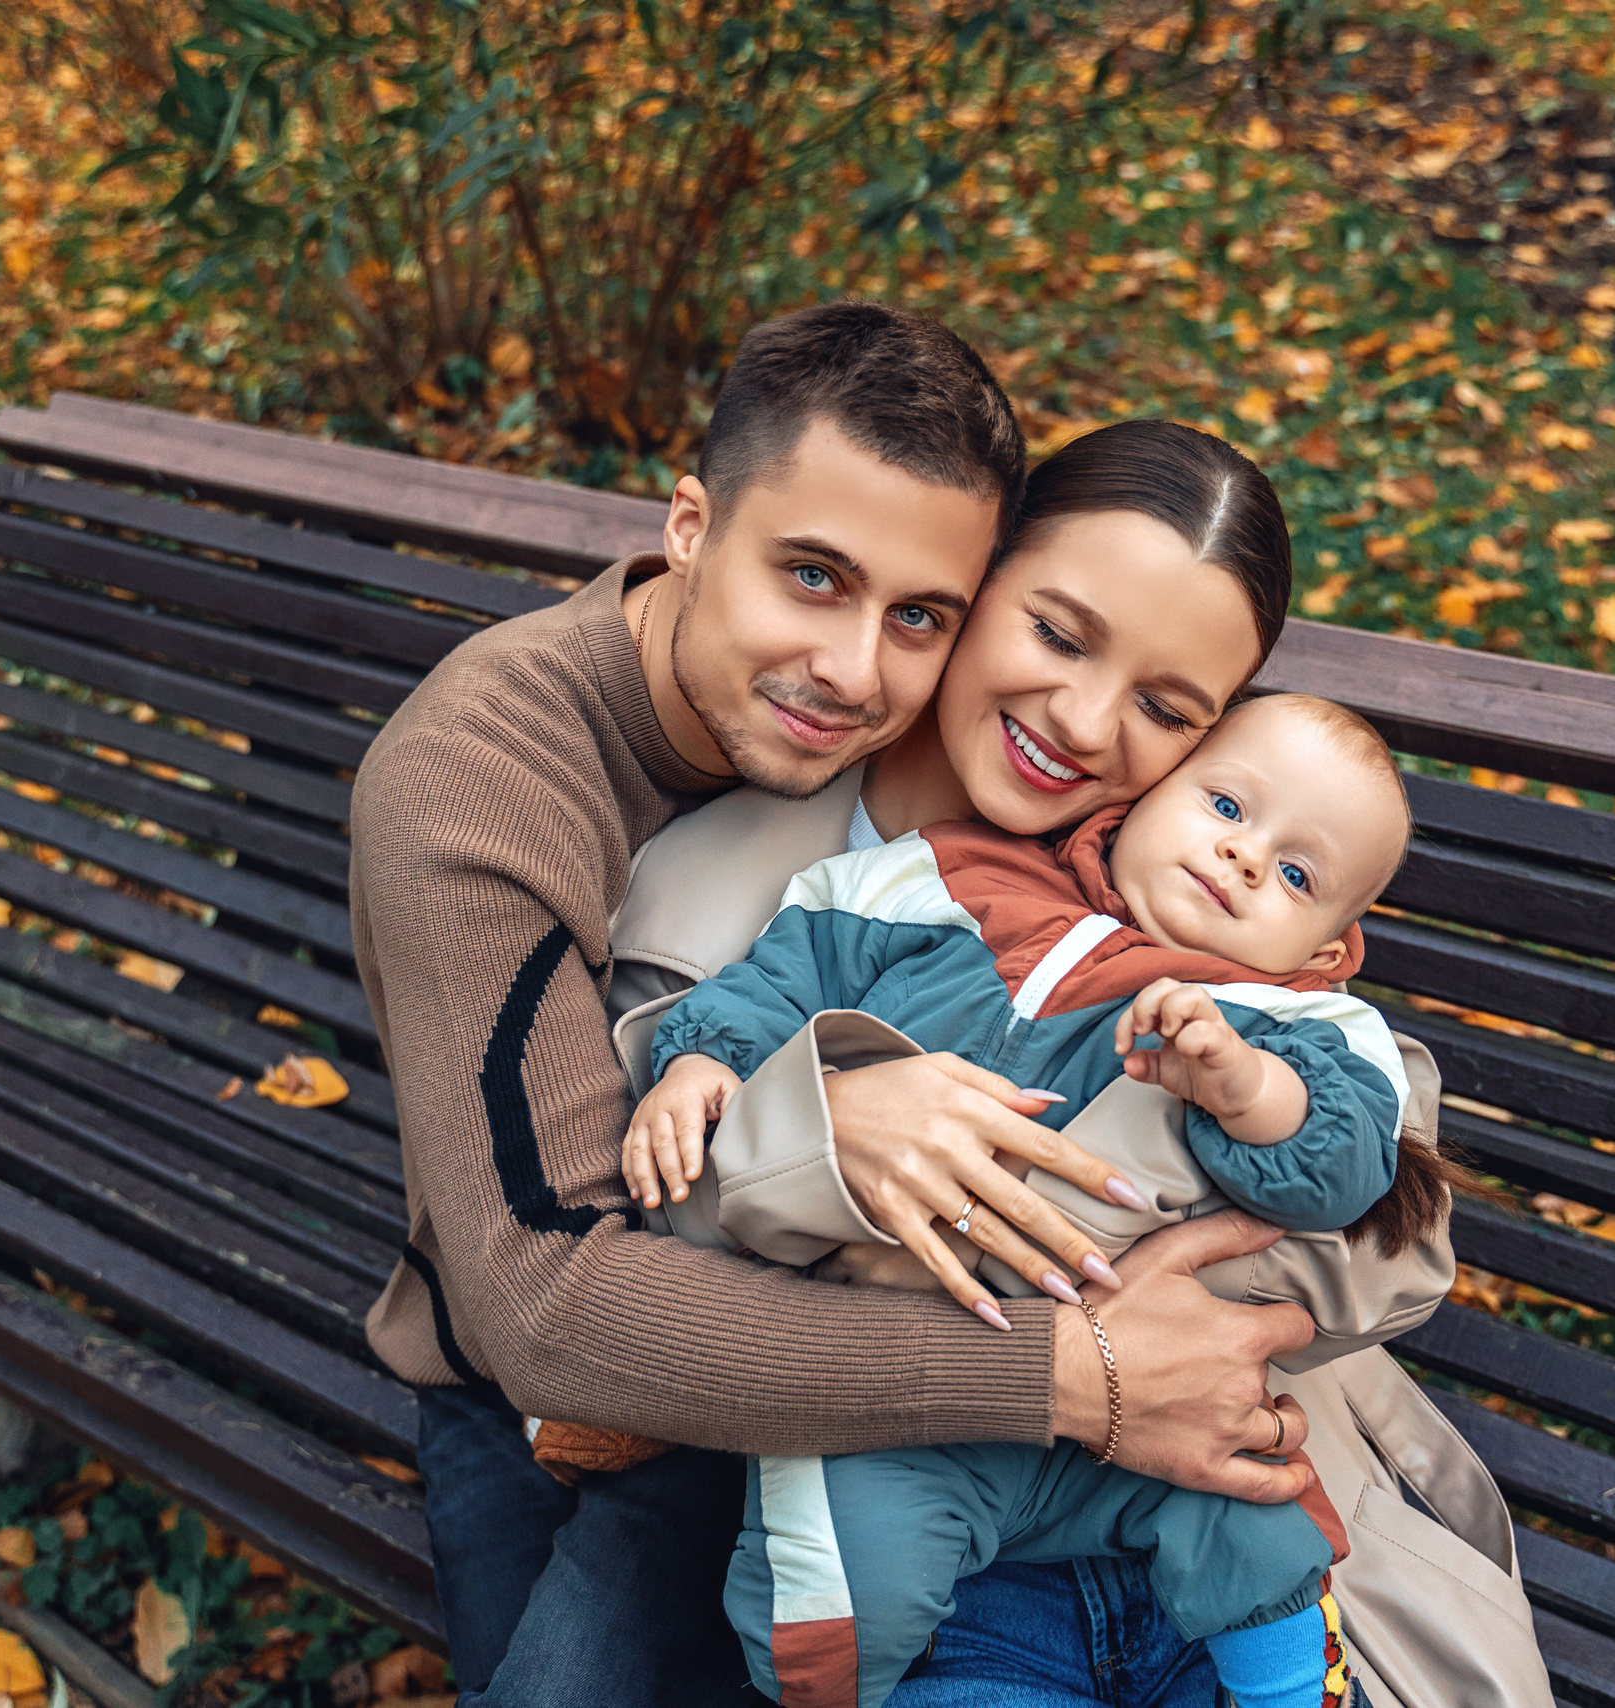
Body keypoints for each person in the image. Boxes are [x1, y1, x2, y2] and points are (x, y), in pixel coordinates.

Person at [349, 306, 1375, 1708]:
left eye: (915, 616)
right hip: (587, 1368)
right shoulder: (502, 782)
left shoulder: (1150, 837)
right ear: (689, 526)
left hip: (996, 1435)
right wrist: (1056, 1351)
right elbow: (553, 1299)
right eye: (812, 577)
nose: (853, 671)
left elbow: (1356, 1130)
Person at [598, 418, 1554, 1707]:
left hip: (1220, 1478)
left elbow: (1392, 1240)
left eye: (1167, 709)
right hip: (896, 1480)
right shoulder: (809, 883)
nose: (1088, 721)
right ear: (975, 582)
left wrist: (1231, 1129)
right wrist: (838, 1125)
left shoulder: (1228, 950)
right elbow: (640, 1225)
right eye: (1057, 633)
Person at [613, 693, 1434, 1708]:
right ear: (1138, 802)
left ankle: (1292, 1692)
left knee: (1259, 1532)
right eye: (1226, 807)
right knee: (838, 1577)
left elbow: (1350, 1163)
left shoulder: (1290, 1020)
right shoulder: (941, 880)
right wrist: (707, 1058)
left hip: (1164, 1414)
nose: (1244, 858)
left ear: (1323, 953)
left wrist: (1249, 1088)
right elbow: (792, 965)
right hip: (907, 1384)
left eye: (1298, 874)